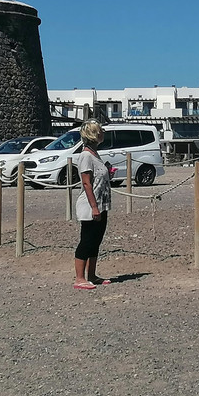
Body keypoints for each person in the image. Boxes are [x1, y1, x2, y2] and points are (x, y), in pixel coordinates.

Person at [72, 119, 112, 290]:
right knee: (87, 240)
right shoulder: (86, 155)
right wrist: (94, 207)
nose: (103, 132)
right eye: (100, 130)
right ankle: (79, 278)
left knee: (96, 240)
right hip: (90, 205)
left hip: (101, 203)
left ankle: (92, 275)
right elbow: (86, 183)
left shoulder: (95, 154)